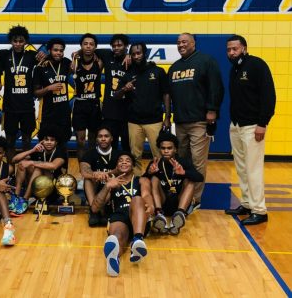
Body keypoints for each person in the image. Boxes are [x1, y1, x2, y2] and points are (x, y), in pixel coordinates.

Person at [168, 33, 224, 210]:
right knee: (182, 161)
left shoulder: (206, 61)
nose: (181, 45)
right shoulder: (174, 67)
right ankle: (184, 193)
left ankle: (195, 199)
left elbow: (216, 87)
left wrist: (212, 110)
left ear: (193, 43)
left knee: (198, 161)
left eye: (184, 42)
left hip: (199, 121)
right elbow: (169, 95)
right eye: (178, 42)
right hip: (180, 122)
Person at [224, 35, 276, 225]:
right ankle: (246, 203)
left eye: (235, 49)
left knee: (253, 169)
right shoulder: (234, 69)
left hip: (253, 126)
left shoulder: (257, 65)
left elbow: (269, 96)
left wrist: (263, 123)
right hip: (236, 125)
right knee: (242, 168)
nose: (231, 52)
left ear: (244, 48)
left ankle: (259, 210)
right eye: (228, 49)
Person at [91, 152, 154, 277]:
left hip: (139, 216)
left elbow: (146, 194)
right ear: (116, 166)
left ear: (133, 166)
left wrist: (150, 204)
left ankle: (137, 239)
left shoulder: (141, 180)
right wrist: (107, 187)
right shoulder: (113, 184)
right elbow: (95, 208)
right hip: (120, 216)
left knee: (137, 199)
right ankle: (114, 259)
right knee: (117, 237)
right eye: (120, 160)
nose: (124, 162)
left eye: (127, 160)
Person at [115, 41, 170, 176]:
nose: (136, 56)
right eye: (133, 54)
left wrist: (167, 117)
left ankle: (160, 180)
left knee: (158, 154)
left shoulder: (158, 71)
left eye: (139, 53)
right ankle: (137, 183)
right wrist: (124, 88)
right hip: (134, 122)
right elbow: (116, 95)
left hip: (154, 121)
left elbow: (166, 94)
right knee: (135, 156)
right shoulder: (127, 74)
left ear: (145, 53)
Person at [145, 132, 203, 235]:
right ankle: (159, 214)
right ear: (159, 149)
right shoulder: (155, 163)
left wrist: (184, 173)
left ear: (175, 149)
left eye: (169, 148)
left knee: (190, 180)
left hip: (179, 202)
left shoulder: (183, 162)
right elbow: (142, 181)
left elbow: (200, 177)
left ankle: (180, 214)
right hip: (162, 203)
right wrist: (149, 173)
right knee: (153, 178)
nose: (166, 151)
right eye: (163, 148)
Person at [0, 25, 38, 162]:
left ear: (26, 41)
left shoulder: (32, 55)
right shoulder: (4, 55)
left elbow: (49, 59)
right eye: (15, 41)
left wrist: (45, 55)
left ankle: (25, 169)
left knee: (27, 140)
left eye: (21, 41)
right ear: (11, 41)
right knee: (10, 141)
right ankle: (10, 170)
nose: (18, 44)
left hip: (27, 106)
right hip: (10, 106)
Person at [11, 125, 66, 213]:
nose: (48, 142)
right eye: (46, 139)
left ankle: (25, 199)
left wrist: (32, 162)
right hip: (37, 187)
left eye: (52, 140)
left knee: (38, 168)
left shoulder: (61, 152)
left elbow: (53, 166)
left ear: (56, 142)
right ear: (42, 141)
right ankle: (16, 197)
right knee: (22, 164)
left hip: (53, 189)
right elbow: (14, 160)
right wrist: (32, 150)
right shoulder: (39, 150)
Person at [33, 38, 72, 148]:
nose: (58, 53)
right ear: (49, 50)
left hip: (64, 113)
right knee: (46, 145)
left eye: (61, 50)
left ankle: (64, 166)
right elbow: (36, 93)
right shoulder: (40, 68)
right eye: (55, 50)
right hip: (48, 113)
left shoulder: (66, 63)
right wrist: (48, 88)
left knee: (64, 144)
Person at [72, 33, 103, 163]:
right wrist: (77, 53)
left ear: (95, 46)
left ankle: (91, 168)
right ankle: (81, 171)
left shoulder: (99, 62)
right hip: (80, 104)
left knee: (92, 140)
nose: (88, 46)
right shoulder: (75, 63)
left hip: (94, 104)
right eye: (85, 44)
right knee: (80, 141)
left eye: (91, 44)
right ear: (81, 46)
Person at [79, 126, 119, 227]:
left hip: (110, 190)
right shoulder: (89, 153)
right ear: (96, 139)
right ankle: (94, 211)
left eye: (106, 136)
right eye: (100, 136)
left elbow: (123, 170)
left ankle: (105, 210)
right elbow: (83, 171)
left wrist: (106, 174)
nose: (103, 139)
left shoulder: (118, 154)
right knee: (87, 180)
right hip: (95, 188)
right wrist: (95, 174)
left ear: (112, 138)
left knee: (112, 183)